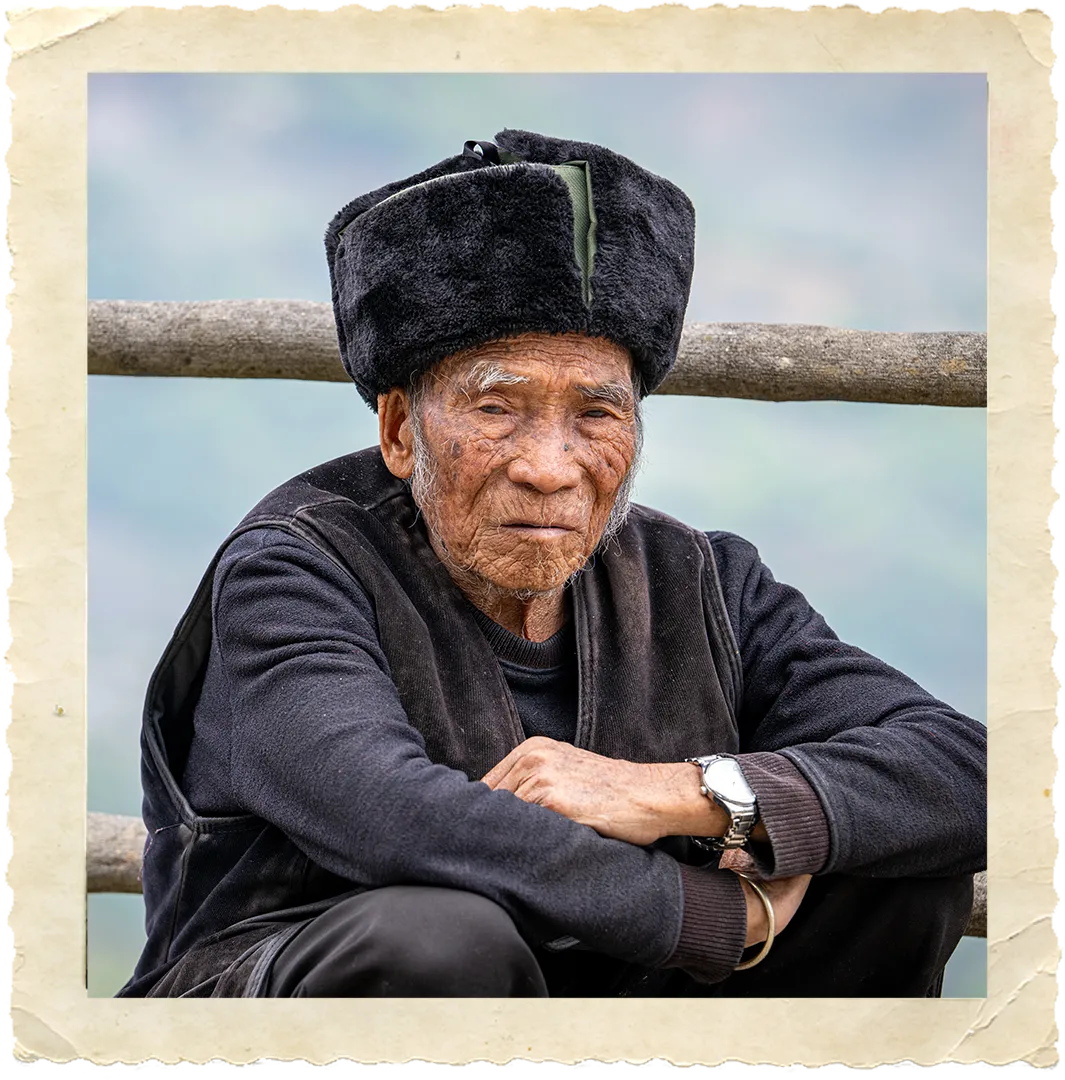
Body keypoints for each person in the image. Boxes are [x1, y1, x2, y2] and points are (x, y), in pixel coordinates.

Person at [118, 129, 985, 999]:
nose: (548, 466)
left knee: (895, 867)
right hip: (304, 990)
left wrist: (687, 794)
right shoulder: (294, 571)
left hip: (614, 1010)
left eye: (595, 415)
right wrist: (717, 917)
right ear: (399, 429)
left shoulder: (703, 583)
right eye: (497, 408)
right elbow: (385, 809)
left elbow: (968, 770)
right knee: (437, 941)